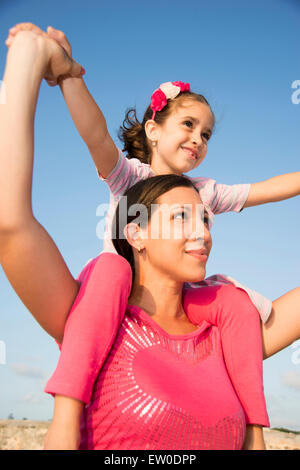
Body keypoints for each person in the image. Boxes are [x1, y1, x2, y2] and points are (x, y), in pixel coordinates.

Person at [1, 24, 299, 446]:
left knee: (231, 302)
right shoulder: (128, 177)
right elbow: (94, 134)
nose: (198, 139)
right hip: (117, 293)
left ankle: (255, 430)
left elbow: (265, 189)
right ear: (153, 129)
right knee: (109, 272)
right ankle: (65, 410)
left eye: (206, 134)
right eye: (189, 125)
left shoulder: (204, 191)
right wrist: (68, 75)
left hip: (182, 299)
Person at [46, 174, 270, 450]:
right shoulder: (95, 311)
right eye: (181, 217)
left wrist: (255, 434)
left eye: (204, 220)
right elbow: (12, 226)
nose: (204, 233)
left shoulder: (225, 327)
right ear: (136, 234)